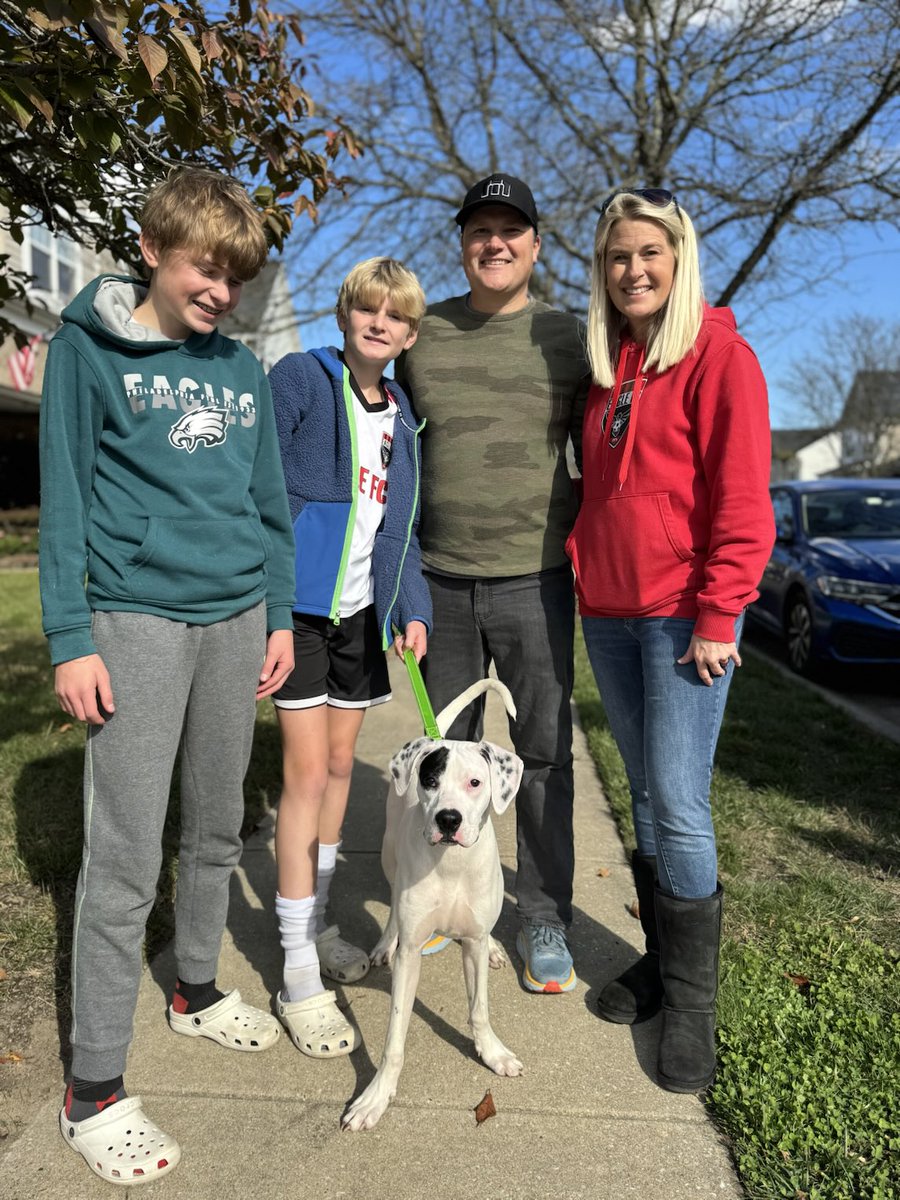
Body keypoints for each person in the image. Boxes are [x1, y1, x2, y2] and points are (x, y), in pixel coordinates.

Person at [39, 168, 296, 1185]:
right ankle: (92, 1087)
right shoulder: (85, 352)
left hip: (237, 618)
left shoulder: (238, 370)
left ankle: (194, 986)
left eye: (236, 278)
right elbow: (63, 501)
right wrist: (70, 638)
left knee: (219, 821)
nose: (221, 293)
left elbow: (267, 502)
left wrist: (276, 613)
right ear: (151, 249)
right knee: (124, 853)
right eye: (205, 268)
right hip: (134, 620)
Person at [566, 187, 775, 1091]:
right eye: (618, 257)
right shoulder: (608, 365)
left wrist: (722, 612)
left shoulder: (720, 357)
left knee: (681, 804)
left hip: (685, 617)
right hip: (609, 612)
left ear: (679, 260)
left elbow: (743, 501)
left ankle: (693, 1007)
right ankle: (659, 964)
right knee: (645, 798)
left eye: (650, 253)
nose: (633, 270)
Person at [397, 174, 590, 994]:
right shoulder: (424, 333)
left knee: (542, 755)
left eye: (512, 229)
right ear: (463, 243)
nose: (495, 243)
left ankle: (542, 911)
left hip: (536, 581)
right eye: (481, 230)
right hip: (439, 580)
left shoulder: (571, 337)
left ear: (536, 244)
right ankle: (442, 902)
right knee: (445, 763)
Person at [267, 258, 432, 1056]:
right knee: (302, 777)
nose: (379, 323)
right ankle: (296, 967)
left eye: (395, 316)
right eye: (367, 308)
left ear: (408, 334)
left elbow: (399, 535)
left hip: (361, 621)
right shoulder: (302, 377)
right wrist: (265, 605)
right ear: (345, 315)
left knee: (339, 771)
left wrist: (413, 611)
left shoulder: (403, 416)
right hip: (298, 613)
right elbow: (260, 491)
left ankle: (320, 920)